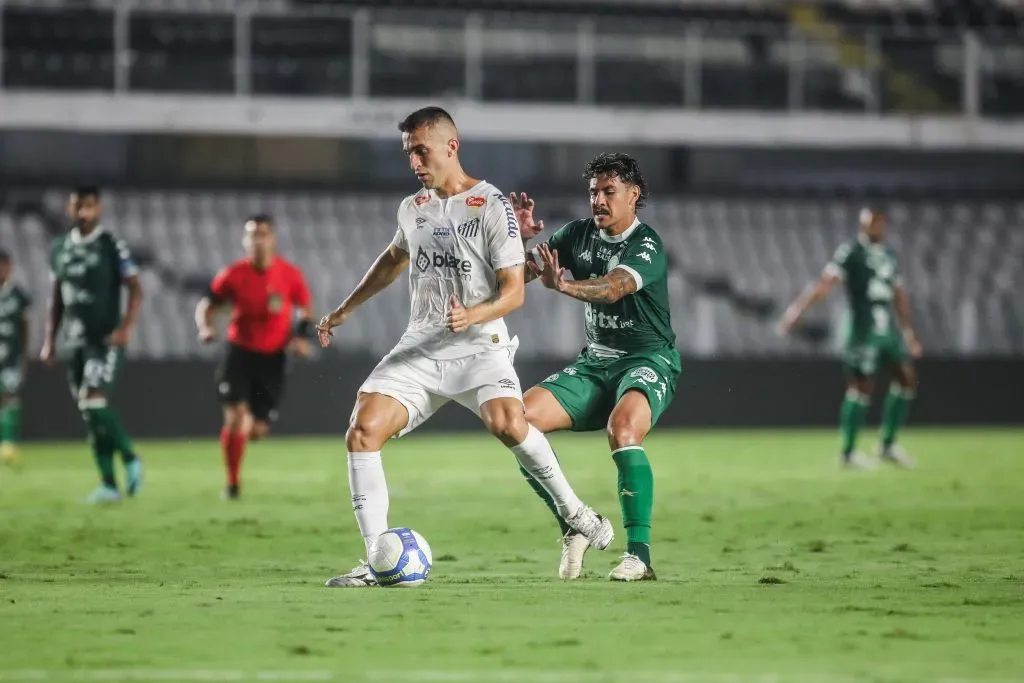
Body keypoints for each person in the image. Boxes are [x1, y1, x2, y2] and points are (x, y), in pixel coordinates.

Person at [317, 106, 614, 588]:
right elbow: (393, 259)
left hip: (480, 345)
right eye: (408, 152)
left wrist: (471, 315)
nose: (414, 161)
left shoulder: (492, 206)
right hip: (422, 347)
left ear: (450, 146)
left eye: (421, 150)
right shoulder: (412, 208)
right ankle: (377, 560)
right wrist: (345, 309)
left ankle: (575, 512)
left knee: (507, 423)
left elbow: (514, 292)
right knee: (362, 430)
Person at [510, 152, 680, 582]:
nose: (599, 201)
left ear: (633, 196)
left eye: (609, 192)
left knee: (623, 430)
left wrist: (563, 285)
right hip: (595, 364)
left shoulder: (647, 244)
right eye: (593, 192)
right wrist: (514, 238)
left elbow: (614, 288)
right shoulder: (576, 235)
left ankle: (638, 556)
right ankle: (573, 523)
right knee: (518, 423)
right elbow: (516, 276)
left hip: (648, 360)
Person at [778, 207, 921, 469]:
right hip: (861, 330)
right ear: (862, 226)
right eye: (868, 224)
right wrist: (798, 309)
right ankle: (848, 452)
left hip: (886, 330)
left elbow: (898, 295)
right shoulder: (851, 252)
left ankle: (887, 444)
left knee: (906, 379)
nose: (873, 228)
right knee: (861, 387)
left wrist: (909, 331)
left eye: (877, 224)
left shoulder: (889, 255)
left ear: (883, 225)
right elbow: (825, 283)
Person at [195, 214, 313, 500]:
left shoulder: (289, 274)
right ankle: (232, 484)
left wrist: (299, 337)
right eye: (252, 235)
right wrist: (206, 327)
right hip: (239, 355)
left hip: (272, 358)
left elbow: (305, 310)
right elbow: (207, 305)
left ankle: (239, 438)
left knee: (257, 429)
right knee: (236, 419)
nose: (257, 240)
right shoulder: (233, 275)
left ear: (273, 239)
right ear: (245, 240)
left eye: (263, 234)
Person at [41, 186, 144, 503]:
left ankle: (129, 457)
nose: (83, 212)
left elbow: (136, 289)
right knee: (89, 412)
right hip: (74, 341)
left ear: (98, 209)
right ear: (69, 209)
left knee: (93, 399)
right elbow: (56, 298)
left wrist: (126, 328)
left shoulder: (111, 245)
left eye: (89, 206)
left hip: (105, 338)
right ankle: (109, 485)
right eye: (77, 206)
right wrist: (50, 341)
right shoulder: (59, 248)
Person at [0, 249, 32, 466]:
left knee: (9, 397)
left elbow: (25, 326)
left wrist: (24, 356)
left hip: (10, 357)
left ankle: (8, 443)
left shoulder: (18, 294)